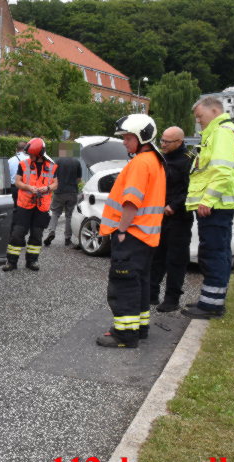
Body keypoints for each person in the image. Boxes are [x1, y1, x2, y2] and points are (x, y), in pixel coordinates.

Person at [96, 114, 166, 349]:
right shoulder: (155, 160)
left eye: (127, 137)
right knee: (140, 282)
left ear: (142, 136)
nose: (124, 142)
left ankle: (125, 335)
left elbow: (131, 202)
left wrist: (122, 230)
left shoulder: (140, 163)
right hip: (146, 237)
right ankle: (139, 328)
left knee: (123, 283)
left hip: (132, 234)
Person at [181, 96, 234, 319]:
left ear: (215, 110)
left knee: (213, 253)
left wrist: (207, 200)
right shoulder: (223, 132)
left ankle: (211, 306)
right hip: (218, 203)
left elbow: (221, 170)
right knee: (215, 251)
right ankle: (210, 301)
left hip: (216, 204)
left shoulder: (221, 133)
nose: (198, 121)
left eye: (200, 116)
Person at [149, 126, 193, 312]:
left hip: (180, 218)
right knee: (156, 256)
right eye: (162, 140)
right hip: (159, 216)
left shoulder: (189, 162)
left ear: (180, 142)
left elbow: (192, 189)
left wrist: (174, 205)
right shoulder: (161, 158)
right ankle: (151, 293)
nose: (163, 144)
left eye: (167, 142)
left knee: (176, 260)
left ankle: (172, 299)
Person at [2, 137, 58, 272]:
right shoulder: (23, 164)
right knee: (17, 234)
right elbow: (17, 182)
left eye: (31, 154)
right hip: (24, 205)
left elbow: (55, 184)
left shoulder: (52, 166)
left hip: (41, 206)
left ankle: (32, 261)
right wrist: (29, 187)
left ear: (39, 154)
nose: (29, 156)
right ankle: (11, 262)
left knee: (37, 235)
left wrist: (47, 188)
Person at [43, 155, 82, 247]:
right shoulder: (77, 162)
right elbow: (79, 179)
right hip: (72, 192)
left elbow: (52, 176)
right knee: (69, 216)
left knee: (55, 213)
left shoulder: (57, 161)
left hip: (59, 191)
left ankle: (51, 231)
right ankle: (67, 239)